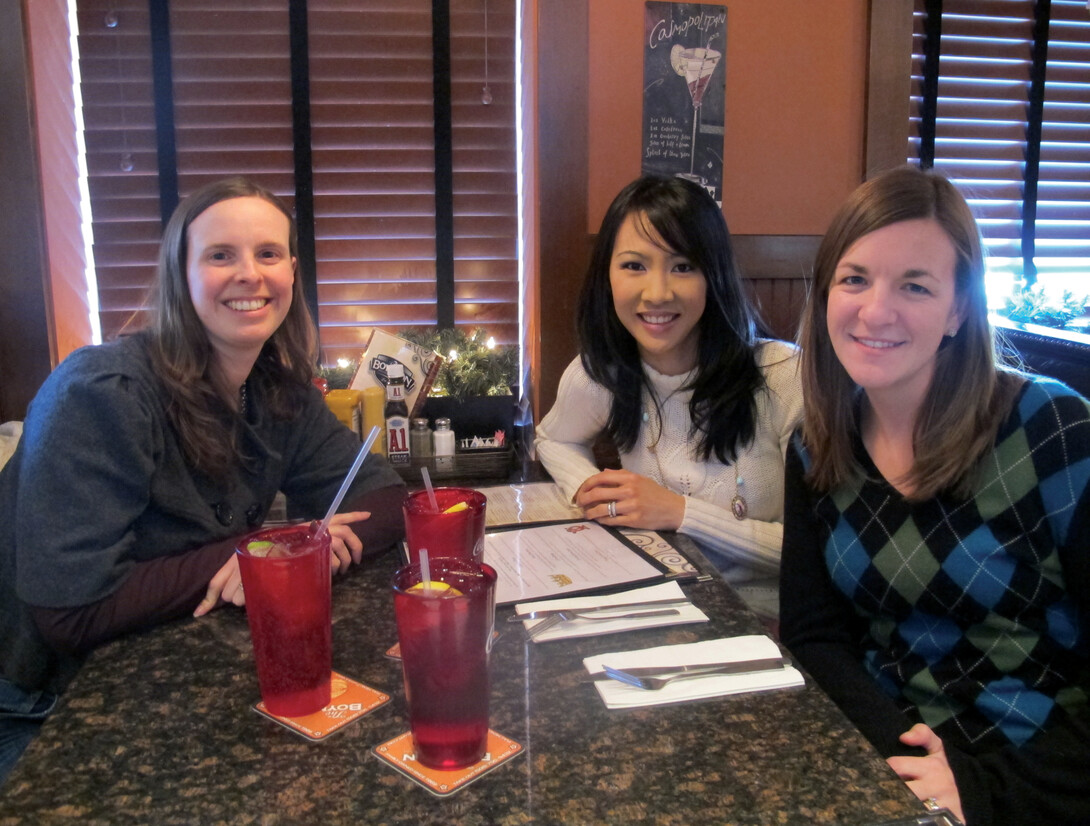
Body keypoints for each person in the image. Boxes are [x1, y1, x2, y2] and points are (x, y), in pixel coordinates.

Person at [0, 177, 406, 783]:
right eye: (221, 256)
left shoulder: (276, 393)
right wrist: (261, 554)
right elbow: (70, 613)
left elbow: (388, 499)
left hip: (156, 672)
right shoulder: (101, 392)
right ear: (180, 274)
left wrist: (301, 551)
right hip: (40, 705)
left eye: (268, 254)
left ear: (292, 272)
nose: (250, 274)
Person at [780, 165, 1090, 825]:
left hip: (1037, 783)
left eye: (914, 286)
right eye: (855, 278)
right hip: (895, 771)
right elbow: (816, 636)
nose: (875, 310)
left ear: (957, 310)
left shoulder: (1055, 432)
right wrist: (904, 762)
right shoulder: (816, 442)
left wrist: (982, 787)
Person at [535, 175, 802, 619]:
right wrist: (590, 487)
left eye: (683, 266)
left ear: (713, 276)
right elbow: (552, 439)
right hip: (658, 609)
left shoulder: (782, 375)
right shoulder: (603, 372)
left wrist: (679, 512)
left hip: (769, 625)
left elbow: (817, 555)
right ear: (608, 276)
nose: (657, 293)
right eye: (634, 266)